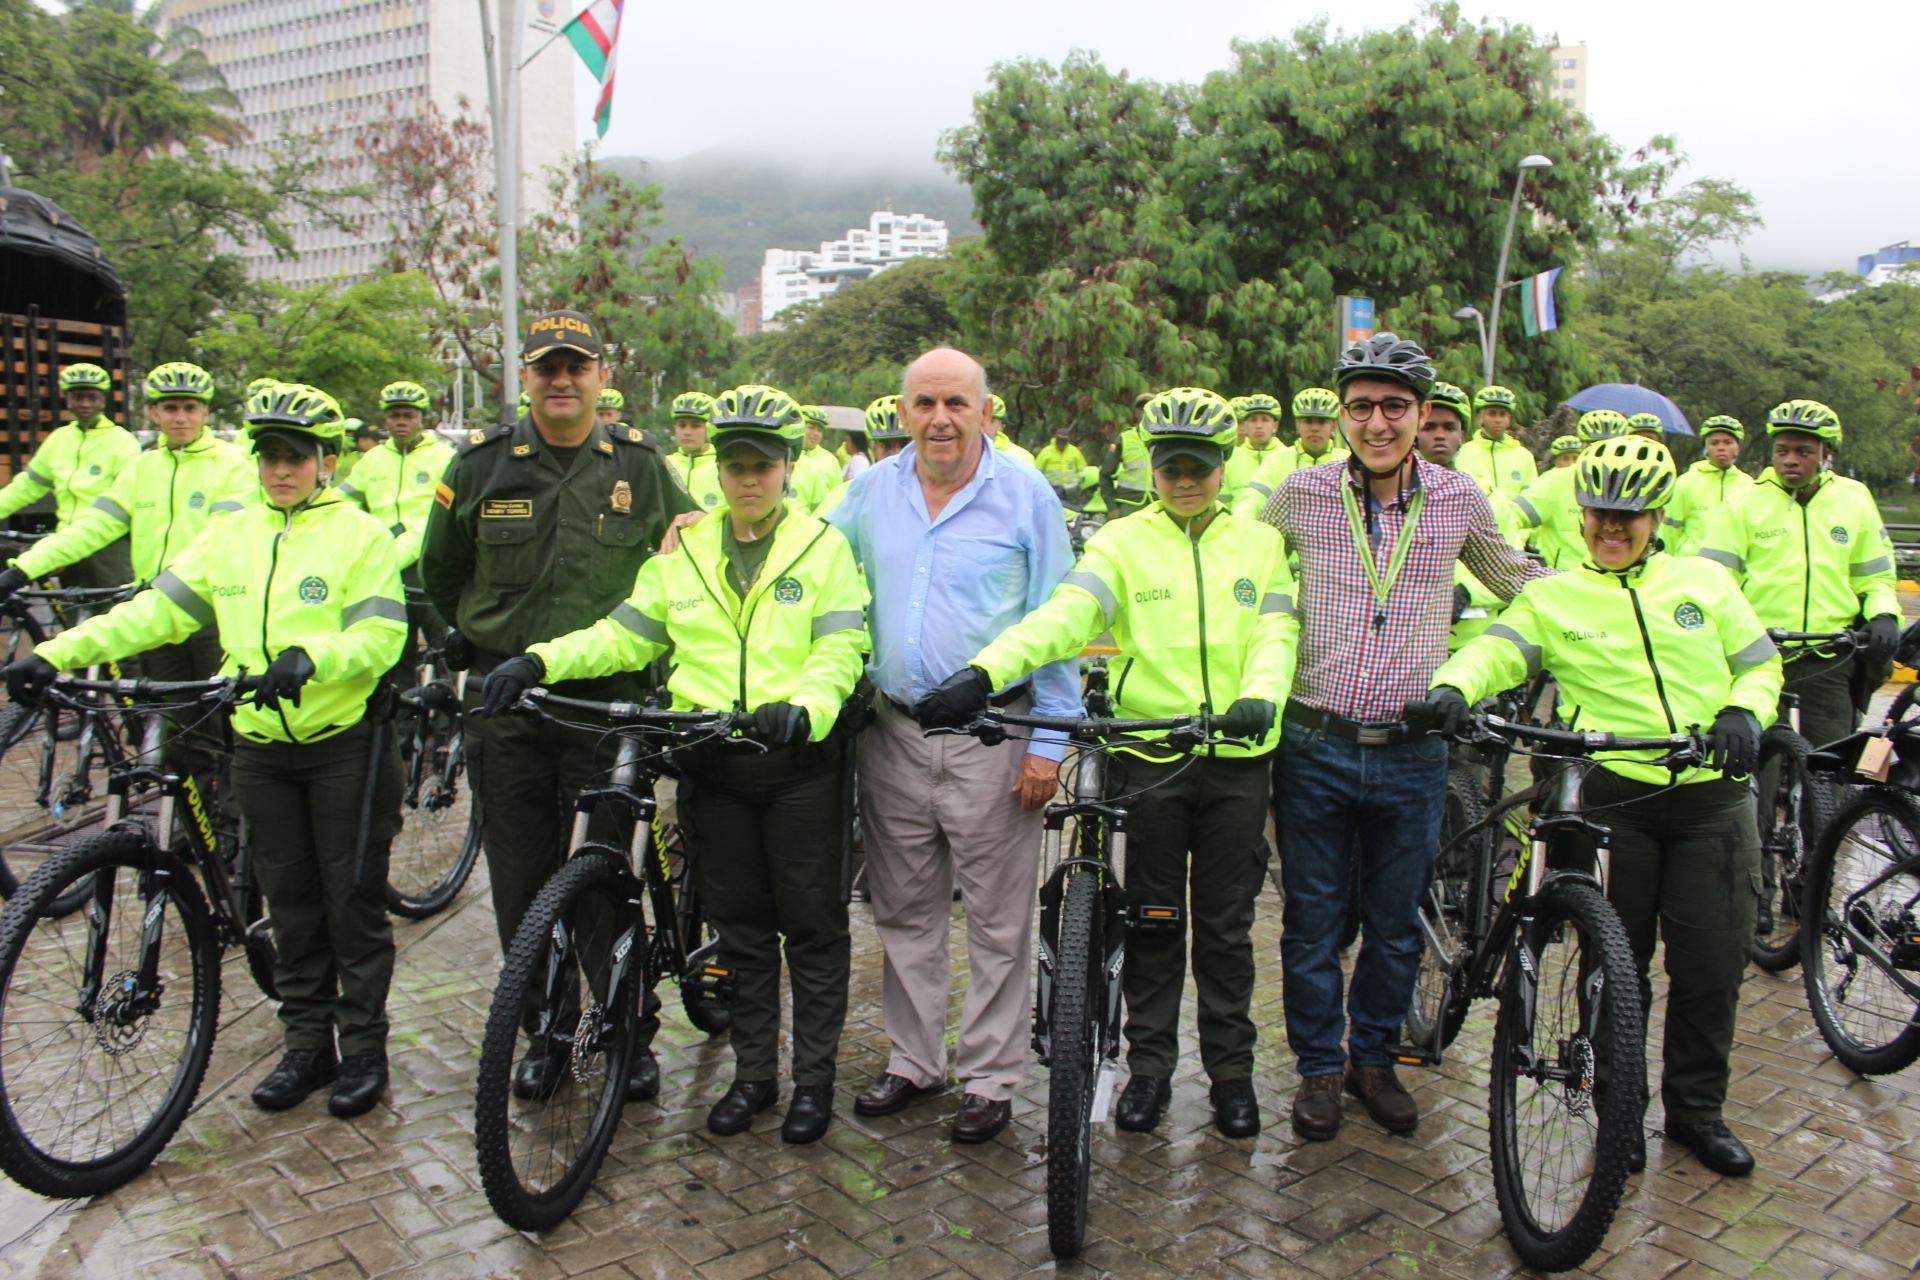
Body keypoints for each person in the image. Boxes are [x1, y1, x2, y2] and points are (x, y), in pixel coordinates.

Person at [6, 382, 408, 1117]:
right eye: (269, 456)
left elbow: (382, 637)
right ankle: (306, 1046)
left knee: (349, 904)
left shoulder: (360, 535)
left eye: (296, 457)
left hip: (342, 747)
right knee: (289, 904)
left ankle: (365, 1048)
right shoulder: (232, 533)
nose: (280, 470)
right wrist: (56, 652)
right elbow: (155, 611)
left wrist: (310, 657)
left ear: (327, 461)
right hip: (256, 745)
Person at [481, 385, 866, 1144]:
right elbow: (624, 635)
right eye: (734, 466)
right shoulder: (683, 549)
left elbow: (840, 645)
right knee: (743, 928)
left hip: (797, 766)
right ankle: (755, 1076)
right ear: (716, 471)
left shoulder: (825, 547)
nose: (748, 479)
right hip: (712, 767)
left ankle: (813, 1082)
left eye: (763, 465)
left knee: (813, 930)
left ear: (788, 467)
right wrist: (539, 660)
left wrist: (808, 708)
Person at [920, 386, 1298, 1138]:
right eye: (1170, 466)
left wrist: (1261, 697)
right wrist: (985, 672)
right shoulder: (1121, 542)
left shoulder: (1259, 543)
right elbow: (1066, 616)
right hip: (1149, 754)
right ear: (1151, 468)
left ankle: (1231, 1074)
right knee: (1155, 921)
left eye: (1199, 465)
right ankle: (1149, 1069)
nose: (1185, 479)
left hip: (1236, 758)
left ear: (1223, 466)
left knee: (1225, 928)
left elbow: (1275, 633)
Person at [1414, 437, 1781, 1177]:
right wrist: (1453, 684)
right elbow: (1500, 648)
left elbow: (1759, 662)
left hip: (1710, 799)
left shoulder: (1704, 583)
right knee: (1615, 968)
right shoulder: (1552, 594)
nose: (1612, 529)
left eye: (1629, 517)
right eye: (1599, 515)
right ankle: (1619, 1110)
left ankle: (1697, 1113)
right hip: (1614, 798)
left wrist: (1746, 710)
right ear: (1581, 515)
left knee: (1711, 967)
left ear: (1657, 515)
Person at [1258, 333, 1548, 1142]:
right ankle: (1318, 1069)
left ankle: (1373, 1061)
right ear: (1341, 414)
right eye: (1361, 407)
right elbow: (1237, 573)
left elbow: (1517, 579)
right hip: (1314, 744)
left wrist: (1613, 585)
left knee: (1394, 923)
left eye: (1394, 407)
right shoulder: (1299, 495)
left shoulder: (1458, 498)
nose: (1377, 423)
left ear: (1423, 415)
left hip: (1416, 752)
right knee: (1313, 923)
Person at [419, 309, 694, 1102]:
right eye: (547, 368)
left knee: (609, 877)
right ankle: (546, 1029)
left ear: (601, 376)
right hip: (509, 716)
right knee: (523, 882)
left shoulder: (642, 468)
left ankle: (622, 1028)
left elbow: (687, 566)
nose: (562, 380)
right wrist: (470, 647)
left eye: (577, 366)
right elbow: (438, 575)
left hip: (607, 713)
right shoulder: (476, 469)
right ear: (526, 379)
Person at [825, 347, 1078, 1144]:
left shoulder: (1026, 494)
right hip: (892, 734)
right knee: (904, 910)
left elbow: (1062, 621)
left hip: (993, 736)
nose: (940, 419)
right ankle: (914, 1060)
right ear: (902, 412)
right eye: (925, 403)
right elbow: (806, 560)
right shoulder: (869, 490)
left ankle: (992, 1077)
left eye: (956, 404)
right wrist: (709, 524)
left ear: (986, 412)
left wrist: (1048, 744)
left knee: (1000, 921)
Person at [0, 362, 254, 684]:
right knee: (164, 717)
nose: (180, 417)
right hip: (152, 612)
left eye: (190, 408)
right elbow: (92, 525)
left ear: (205, 414)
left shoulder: (233, 465)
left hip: (212, 612)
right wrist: (22, 569)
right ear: (153, 413)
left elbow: (220, 542)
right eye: (170, 408)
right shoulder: (142, 467)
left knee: (218, 720)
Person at [1698, 400, 1899, 752]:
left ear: (1826, 454)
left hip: (1831, 655)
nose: (1791, 459)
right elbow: (1714, 581)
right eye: (1782, 451)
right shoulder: (1743, 504)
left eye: (1804, 451)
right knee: (1753, 766)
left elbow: (1875, 576)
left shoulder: (1854, 501)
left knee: (1830, 765)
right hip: (1761, 657)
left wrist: (1883, 614)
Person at [336, 381, 457, 664]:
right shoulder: (371, 460)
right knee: (392, 649)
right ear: (385, 420)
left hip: (429, 564)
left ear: (422, 419)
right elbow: (340, 502)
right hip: (382, 566)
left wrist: (402, 547)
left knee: (441, 648)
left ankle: (444, 703)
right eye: (394, 416)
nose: (401, 422)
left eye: (409, 416)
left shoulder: (445, 458)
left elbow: (444, 515)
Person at [0, 363, 141, 590]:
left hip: (108, 546)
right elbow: (26, 487)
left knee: (112, 612)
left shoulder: (122, 442)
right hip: (66, 542)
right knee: (71, 615)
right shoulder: (59, 439)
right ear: (67, 400)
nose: (85, 404)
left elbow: (129, 501)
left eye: (92, 397)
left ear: (103, 401)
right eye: (77, 397)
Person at [1414, 382, 1526, 651]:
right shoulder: (1389, 495)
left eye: (1449, 428)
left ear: (1463, 435)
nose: (1439, 435)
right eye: (1429, 427)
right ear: (1414, 433)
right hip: (1407, 650)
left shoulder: (1488, 497)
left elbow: (1516, 573)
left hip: (1475, 649)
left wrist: (1469, 592)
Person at [1513, 410, 1630, 570]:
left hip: (1617, 582)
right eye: (1594, 446)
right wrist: (1514, 560)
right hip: (1564, 581)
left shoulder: (1634, 484)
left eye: (1610, 447)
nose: (1603, 454)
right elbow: (1510, 516)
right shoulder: (1557, 480)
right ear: (1582, 446)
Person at [1232, 388, 1349, 519]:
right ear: (1297, 424)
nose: (1315, 428)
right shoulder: (1276, 460)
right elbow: (1253, 500)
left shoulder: (1347, 461)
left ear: (1333, 426)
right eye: (1308, 421)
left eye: (1322, 422)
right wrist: (1238, 525)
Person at [1662, 416, 1752, 557]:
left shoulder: (1748, 485)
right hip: (1691, 565)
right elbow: (1669, 530)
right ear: (1706, 448)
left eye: (1728, 442)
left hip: (1733, 569)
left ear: (1737, 448)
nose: (1721, 447)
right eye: (1714, 443)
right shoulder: (1686, 482)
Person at [1454, 385, 1537, 497]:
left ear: (1509, 419)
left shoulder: (1524, 456)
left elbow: (1531, 498)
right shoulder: (1463, 453)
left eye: (1503, 414)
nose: (1498, 420)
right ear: (1480, 418)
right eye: (1492, 413)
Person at [1223, 393, 1286, 502]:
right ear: (1245, 425)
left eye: (1265, 420)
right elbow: (1222, 502)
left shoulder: (1289, 457)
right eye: (1253, 420)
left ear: (1275, 426)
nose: (1259, 425)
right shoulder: (1231, 459)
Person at [1098, 396, 1155, 517]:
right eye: (1141, 408)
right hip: (1129, 504)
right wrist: (1111, 506)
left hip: (1159, 504)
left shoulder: (1166, 439)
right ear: (1137, 413)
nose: (1144, 411)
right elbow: (1105, 474)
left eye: (1149, 408)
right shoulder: (1124, 438)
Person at [1034, 424, 1089, 508]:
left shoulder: (1074, 451)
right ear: (1055, 439)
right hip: (1052, 490)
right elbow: (1037, 472)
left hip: (1072, 492)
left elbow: (1083, 471)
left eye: (1063, 443)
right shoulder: (1046, 452)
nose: (1061, 446)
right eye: (1059, 443)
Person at [985, 394, 1036, 466]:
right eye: (980, 420)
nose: (985, 426)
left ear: (999, 425)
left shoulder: (1022, 458)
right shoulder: (965, 453)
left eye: (991, 421)